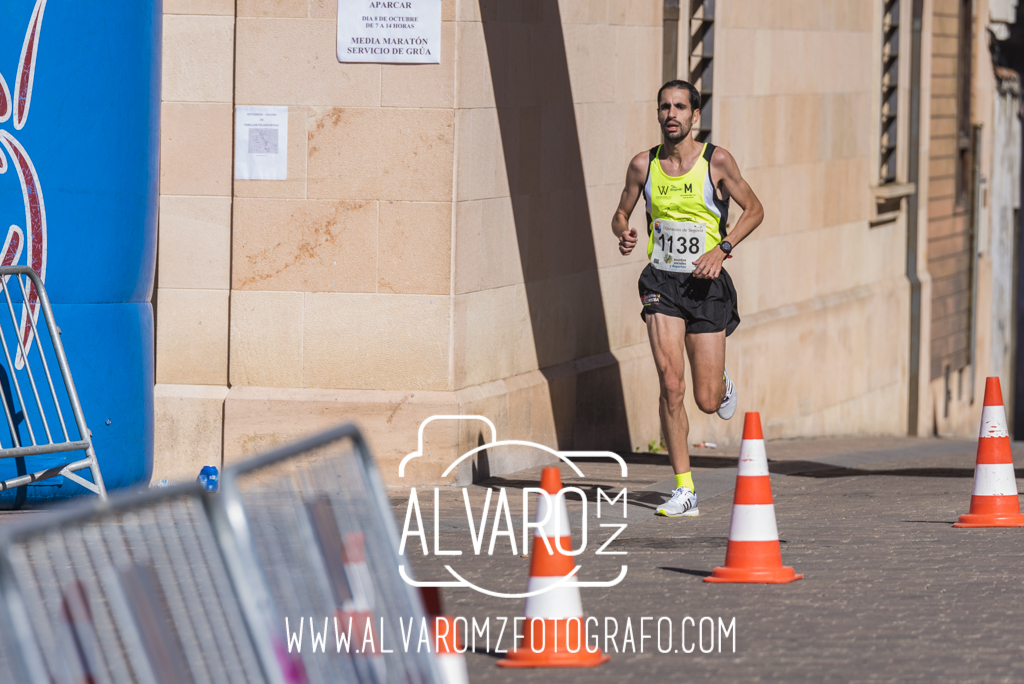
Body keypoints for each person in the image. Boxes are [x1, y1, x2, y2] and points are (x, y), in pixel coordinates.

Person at [611, 80, 764, 517]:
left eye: (680, 107)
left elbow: (755, 209)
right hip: (661, 282)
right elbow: (620, 212)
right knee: (671, 384)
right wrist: (623, 231)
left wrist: (723, 248)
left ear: (695, 116)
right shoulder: (643, 165)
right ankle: (684, 489)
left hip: (706, 284)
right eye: (664, 107)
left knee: (707, 400)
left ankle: (720, 381)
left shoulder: (717, 161)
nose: (671, 114)